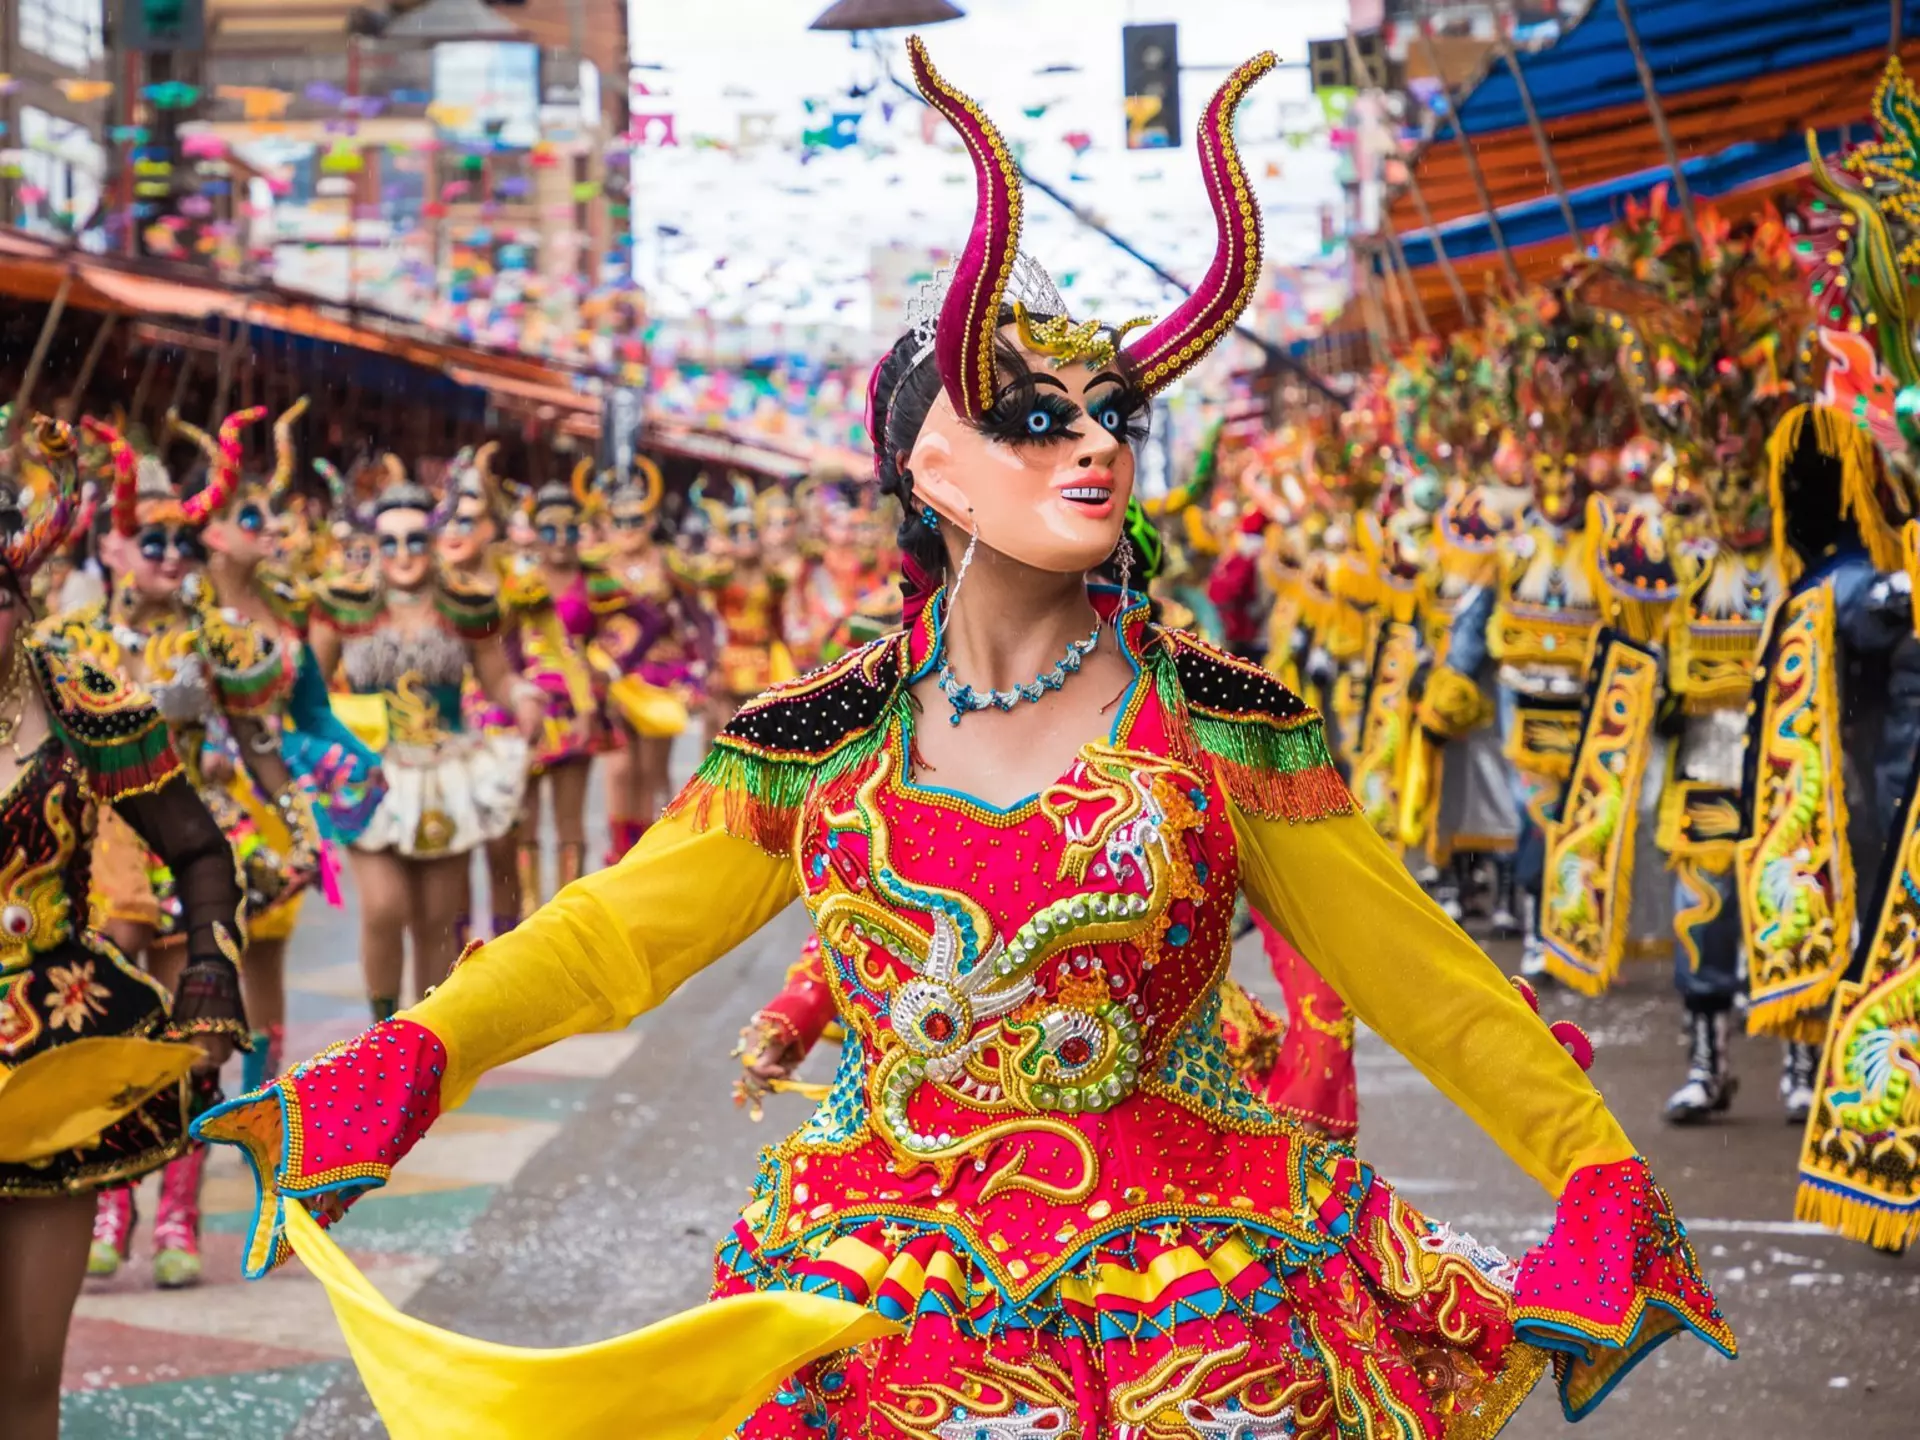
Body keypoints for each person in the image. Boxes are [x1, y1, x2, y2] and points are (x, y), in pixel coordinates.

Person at [199, 42, 1732, 1437]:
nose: (1095, 445)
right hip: (884, 1308)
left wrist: (1594, 1173)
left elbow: (1429, 980)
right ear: (929, 466)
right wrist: (409, 1060)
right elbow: (613, 936)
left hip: (1192, 1311)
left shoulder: (1221, 725)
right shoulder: (824, 738)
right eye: (1039, 416)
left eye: (1114, 415)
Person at [0, 414, 246, 1440]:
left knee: (22, 1370)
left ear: (21, 595)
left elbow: (200, 850)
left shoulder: (81, 699)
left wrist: (208, 981)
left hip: (54, 1051)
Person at [307, 456, 541, 1018]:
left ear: (434, 540)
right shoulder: (340, 604)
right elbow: (309, 691)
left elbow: (497, 679)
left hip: (446, 770)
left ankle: (426, 1044)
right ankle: (381, 1033)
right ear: (373, 545)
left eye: (416, 539)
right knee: (385, 907)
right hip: (369, 773)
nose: (404, 554)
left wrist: (523, 698)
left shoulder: (467, 604)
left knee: (440, 921)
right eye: (389, 543)